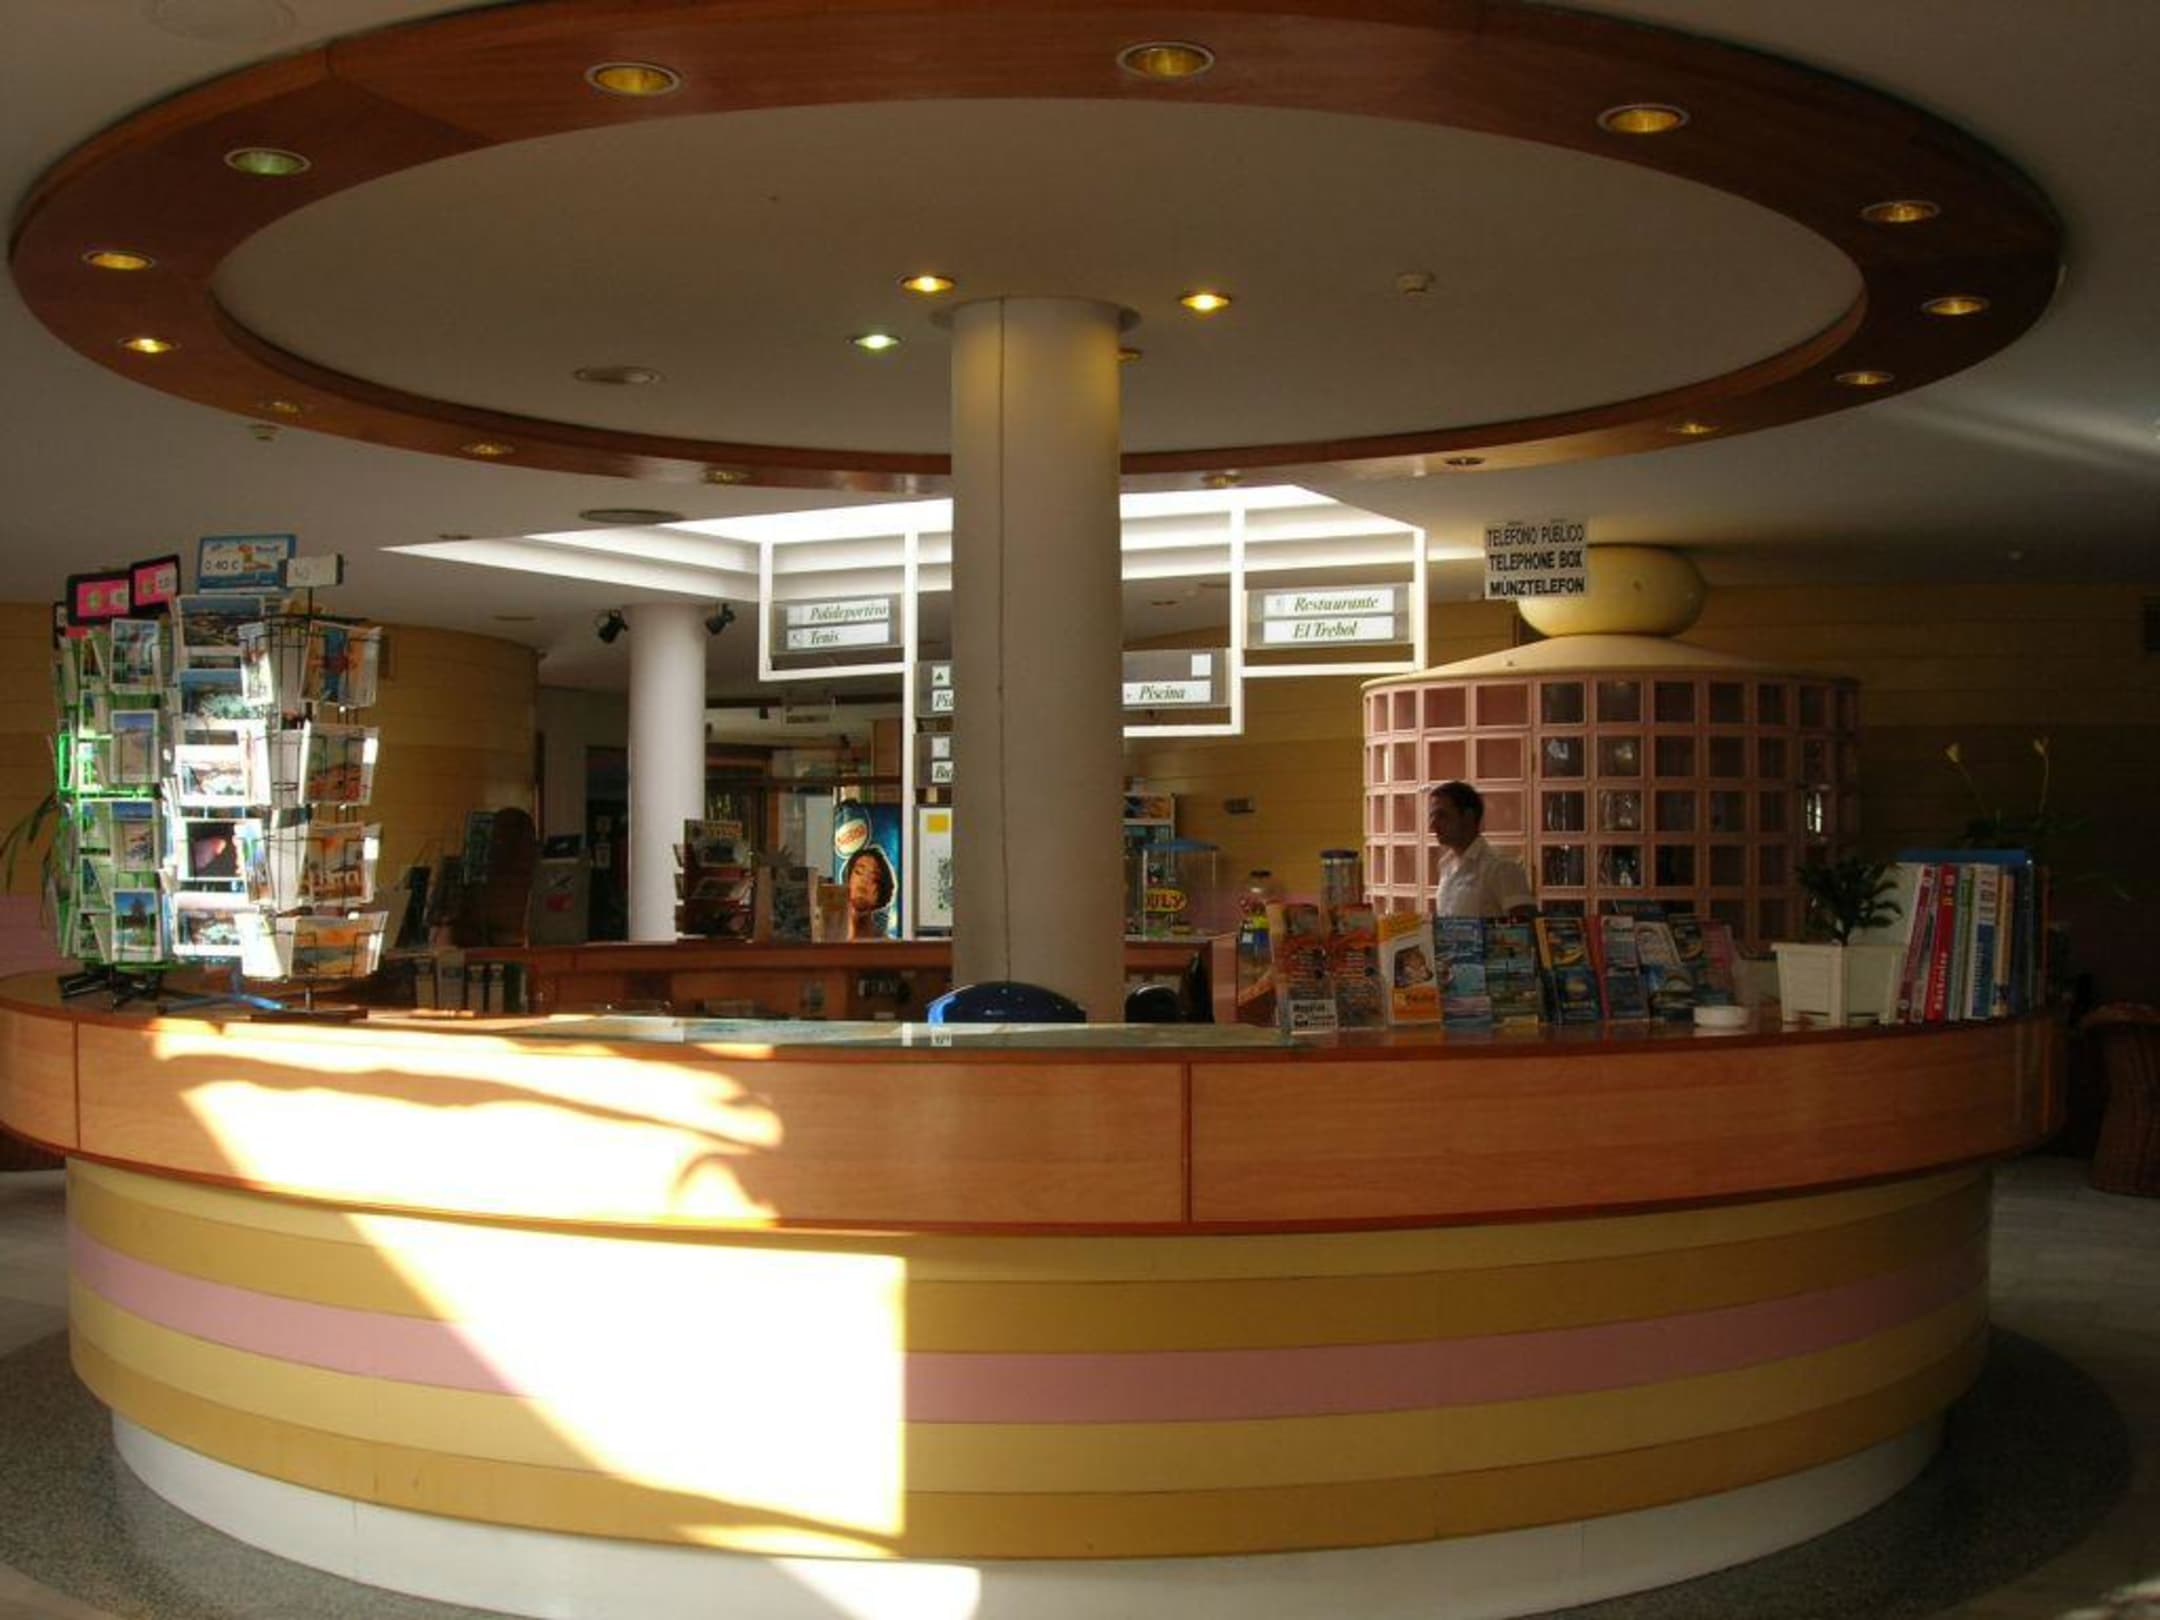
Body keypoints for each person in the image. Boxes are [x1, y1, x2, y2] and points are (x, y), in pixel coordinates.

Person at [1428, 780, 1536, 919]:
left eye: (1442, 815)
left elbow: (1525, 924)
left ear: (1468, 817)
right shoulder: (1445, 865)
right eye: (1431, 816)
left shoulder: (1501, 866)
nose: (1432, 825)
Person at [841, 844, 897, 940]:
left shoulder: (886, 944)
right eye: (858, 872)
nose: (864, 880)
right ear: (848, 878)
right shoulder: (826, 935)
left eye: (874, 878)